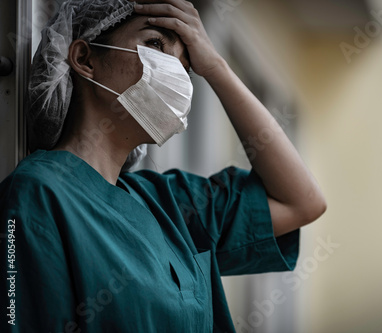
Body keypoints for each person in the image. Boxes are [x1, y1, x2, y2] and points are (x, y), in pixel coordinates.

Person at [0, 0, 327, 331]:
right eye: (155, 44)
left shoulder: (172, 204)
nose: (176, 74)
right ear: (84, 59)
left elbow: (301, 201)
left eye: (186, 66)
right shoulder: (37, 195)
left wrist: (215, 67)